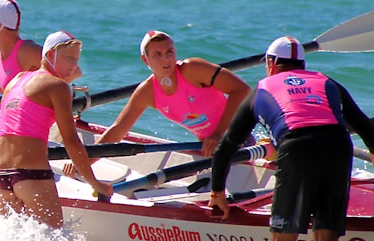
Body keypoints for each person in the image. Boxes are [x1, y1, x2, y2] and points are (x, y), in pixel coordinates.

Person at [209, 36, 374, 241]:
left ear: (271, 63)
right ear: (302, 65)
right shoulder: (328, 82)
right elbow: (364, 125)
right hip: (338, 146)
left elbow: (226, 147)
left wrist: (217, 192)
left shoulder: (262, 89)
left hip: (296, 147)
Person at [0, 30, 114, 228]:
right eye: (69, 58)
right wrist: (95, 183)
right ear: (49, 55)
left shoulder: (16, 80)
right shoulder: (57, 86)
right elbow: (71, 140)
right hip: (31, 174)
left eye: (77, 60)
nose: (74, 66)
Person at [70, 30, 251, 164]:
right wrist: (84, 164)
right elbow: (117, 131)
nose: (166, 60)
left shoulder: (193, 69)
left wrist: (219, 133)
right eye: (157, 54)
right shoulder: (147, 92)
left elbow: (241, 90)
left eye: (169, 52)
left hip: (238, 138)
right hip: (207, 147)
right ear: (145, 60)